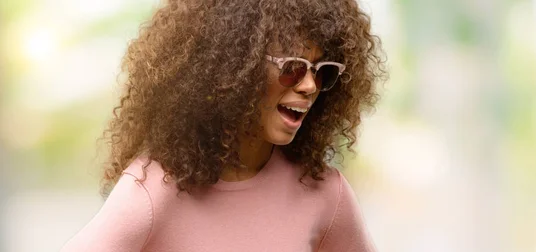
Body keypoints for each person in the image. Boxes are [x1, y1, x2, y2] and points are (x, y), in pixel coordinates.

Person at [61, 0, 386, 251]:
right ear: (231, 72)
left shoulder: (325, 194)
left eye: (322, 72)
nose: (309, 86)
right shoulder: (154, 190)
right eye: (292, 68)